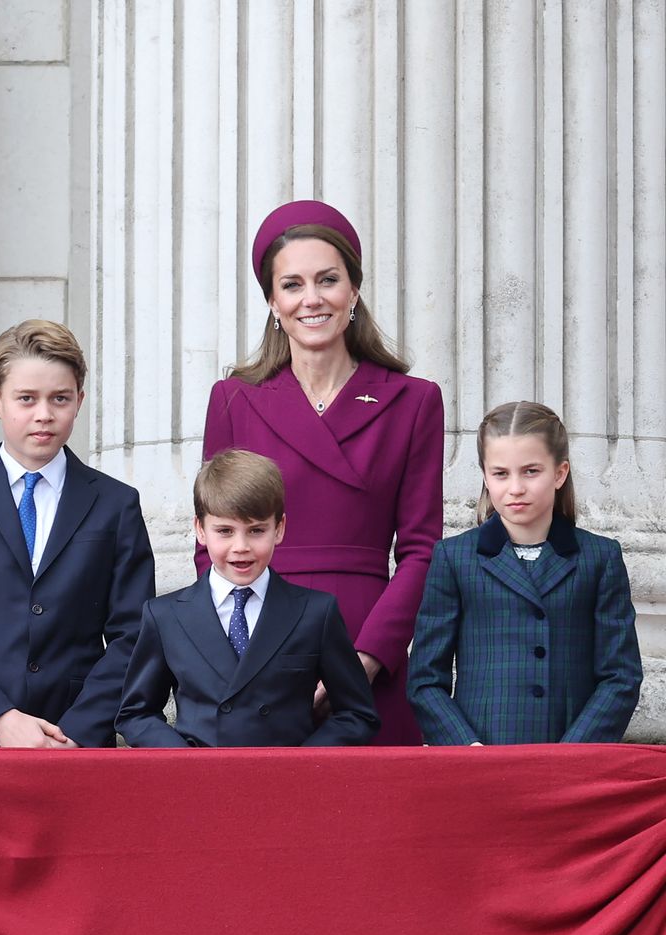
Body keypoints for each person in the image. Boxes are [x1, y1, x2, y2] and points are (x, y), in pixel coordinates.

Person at [197, 200, 444, 745]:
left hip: (365, 638)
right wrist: (234, 648)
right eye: (292, 285)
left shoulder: (413, 401)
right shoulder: (233, 399)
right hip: (257, 646)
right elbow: (210, 542)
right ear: (272, 300)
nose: (311, 299)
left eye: (328, 280)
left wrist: (368, 658)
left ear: (353, 290)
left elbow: (422, 551)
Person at [0, 319, 155, 748]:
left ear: (79, 400)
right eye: (26, 398)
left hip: (73, 739)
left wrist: (76, 732)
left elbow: (134, 635)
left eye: (60, 398)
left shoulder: (116, 504)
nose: (44, 414)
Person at [407, 401, 642, 745]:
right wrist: (467, 748)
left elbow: (621, 676)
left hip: (570, 756)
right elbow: (425, 679)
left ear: (559, 473)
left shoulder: (599, 558)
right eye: (501, 473)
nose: (515, 487)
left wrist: (572, 754)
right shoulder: (454, 558)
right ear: (485, 475)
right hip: (481, 755)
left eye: (531, 471)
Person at [117, 449, 379, 747]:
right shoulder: (165, 616)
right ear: (200, 529)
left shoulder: (316, 612)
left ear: (279, 529)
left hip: (287, 773)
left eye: (256, 530)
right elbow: (136, 714)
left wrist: (303, 763)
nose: (241, 546)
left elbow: (358, 714)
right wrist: (186, 761)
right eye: (225, 531)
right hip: (201, 773)